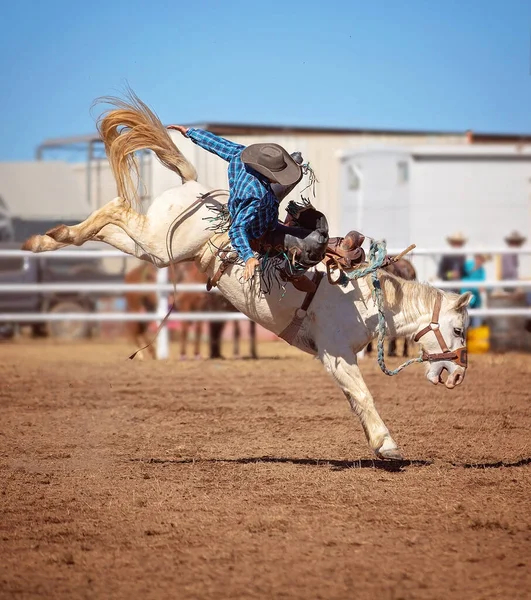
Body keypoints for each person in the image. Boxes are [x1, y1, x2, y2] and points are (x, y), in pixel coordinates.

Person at [167, 125, 302, 281]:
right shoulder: (256, 195)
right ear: (268, 174)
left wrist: (190, 132)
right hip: (256, 227)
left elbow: (217, 144)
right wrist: (249, 257)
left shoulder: (240, 156)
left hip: (245, 207)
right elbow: (237, 229)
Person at [461, 254, 490, 328]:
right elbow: (463, 280)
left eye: (482, 260)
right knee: (465, 322)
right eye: (479, 258)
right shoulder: (467, 265)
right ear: (476, 258)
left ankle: (474, 336)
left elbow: (483, 284)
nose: (480, 261)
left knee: (476, 323)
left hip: (476, 300)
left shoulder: (482, 271)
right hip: (466, 297)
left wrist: (483, 288)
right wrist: (477, 287)